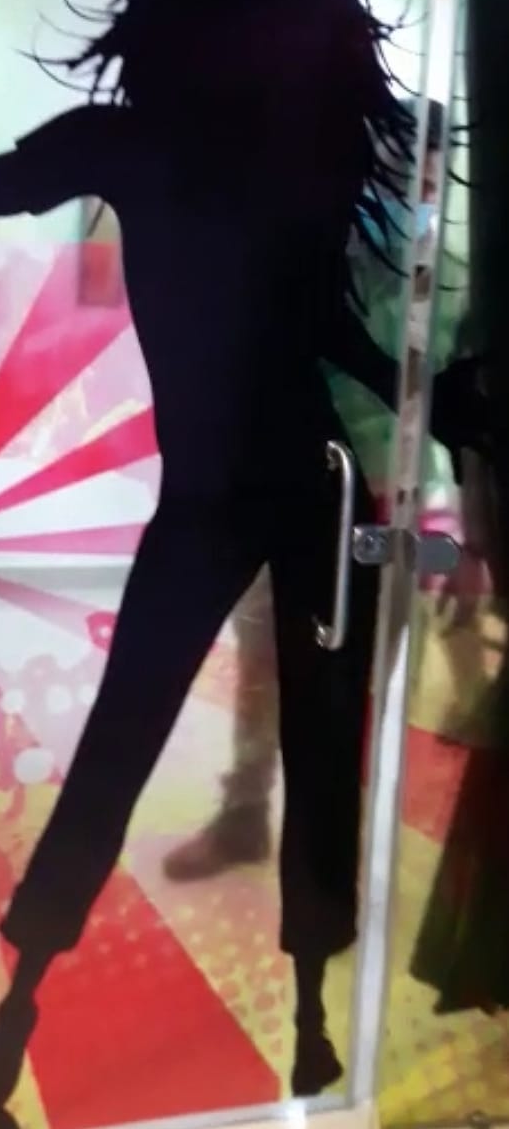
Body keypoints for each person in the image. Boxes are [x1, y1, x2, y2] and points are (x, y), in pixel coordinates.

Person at [0, 0, 487, 1108]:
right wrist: (431, 404)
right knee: (296, 748)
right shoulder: (277, 151)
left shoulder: (146, 142)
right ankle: (300, 1020)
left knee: (154, 737)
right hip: (299, 490)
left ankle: (50, 1007)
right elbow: (327, 331)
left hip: (250, 494)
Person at [162, 100, 464, 884]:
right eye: (400, 164)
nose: (414, 183)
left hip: (387, 498)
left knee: (362, 678)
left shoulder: (444, 272)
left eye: (426, 169)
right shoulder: (322, 243)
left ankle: (329, 844)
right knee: (269, 659)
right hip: (300, 482)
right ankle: (247, 818)